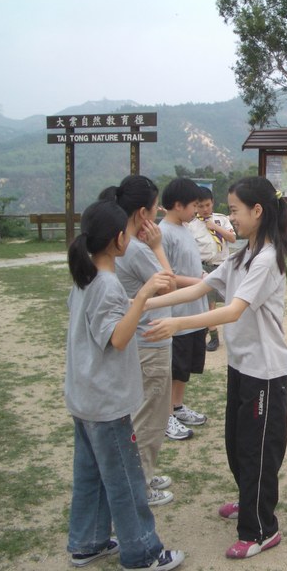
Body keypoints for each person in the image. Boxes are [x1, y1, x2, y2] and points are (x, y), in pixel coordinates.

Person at [142, 177, 287, 560]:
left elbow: (232, 311)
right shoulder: (242, 255)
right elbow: (200, 288)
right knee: (237, 444)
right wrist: (143, 303)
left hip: (265, 371)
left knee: (257, 450)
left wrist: (177, 324)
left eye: (235, 210)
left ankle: (261, 530)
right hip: (242, 366)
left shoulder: (267, 259)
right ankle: (249, 500)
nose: (230, 217)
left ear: (257, 211)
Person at [64, 199, 184, 571]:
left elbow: (107, 320)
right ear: (118, 239)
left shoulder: (86, 278)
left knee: (91, 475)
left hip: (84, 398)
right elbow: (117, 338)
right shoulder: (106, 284)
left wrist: (135, 302)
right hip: (106, 403)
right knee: (126, 481)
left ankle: (88, 541)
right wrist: (144, 295)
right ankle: (142, 552)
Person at [100, 175, 178, 507]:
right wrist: (157, 247)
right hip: (150, 341)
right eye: (155, 206)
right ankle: (140, 483)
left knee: (140, 413)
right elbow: (168, 285)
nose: (157, 212)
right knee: (149, 417)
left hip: (136, 340)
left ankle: (141, 473)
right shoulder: (135, 249)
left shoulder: (115, 243)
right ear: (142, 214)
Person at [159, 178, 208, 440]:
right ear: (178, 205)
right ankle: (164, 415)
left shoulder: (185, 228)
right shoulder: (163, 233)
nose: (196, 211)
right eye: (193, 206)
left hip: (194, 311)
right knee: (173, 367)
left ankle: (177, 407)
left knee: (185, 367)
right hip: (176, 313)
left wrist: (203, 277)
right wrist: (200, 283)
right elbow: (165, 277)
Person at [188, 186, 236, 352]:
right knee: (210, 303)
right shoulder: (192, 225)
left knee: (231, 300)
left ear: (213, 203)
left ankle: (225, 331)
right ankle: (213, 335)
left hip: (223, 265)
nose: (205, 209)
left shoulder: (221, 220)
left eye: (207, 205)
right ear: (195, 206)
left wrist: (215, 227)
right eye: (200, 206)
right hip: (204, 267)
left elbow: (232, 238)